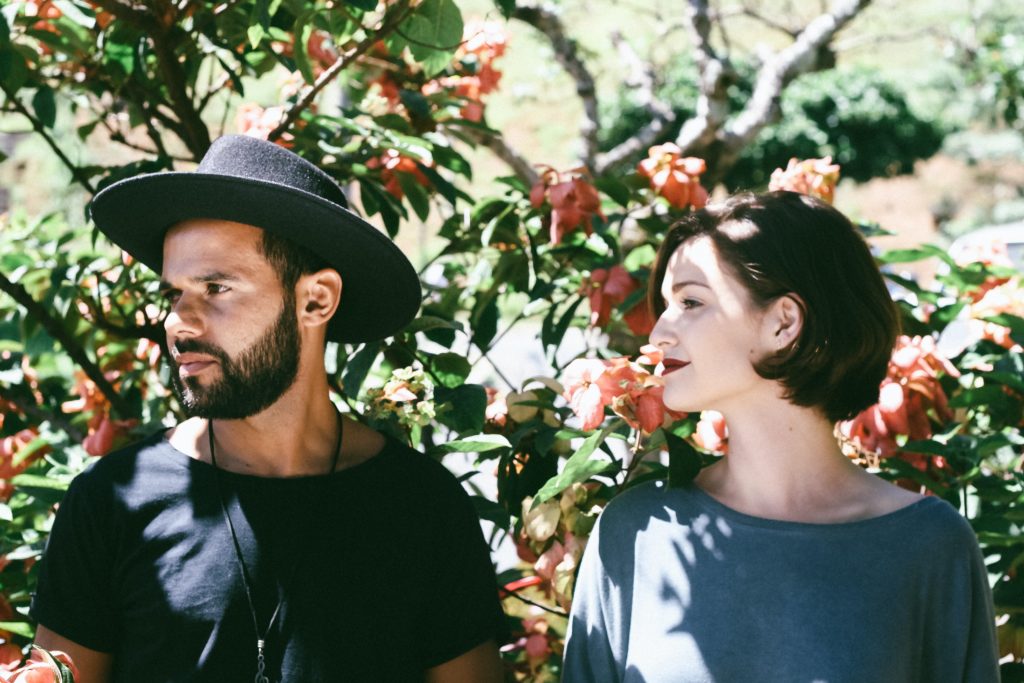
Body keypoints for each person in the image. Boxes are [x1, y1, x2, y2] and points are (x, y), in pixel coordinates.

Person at [31, 135, 507, 683]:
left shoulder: (421, 506)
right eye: (172, 294)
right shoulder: (113, 502)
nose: (178, 322)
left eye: (215, 287)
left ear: (315, 300)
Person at [562, 191, 999, 682]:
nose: (658, 333)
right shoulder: (634, 533)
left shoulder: (930, 546)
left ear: (784, 322)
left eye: (690, 301)